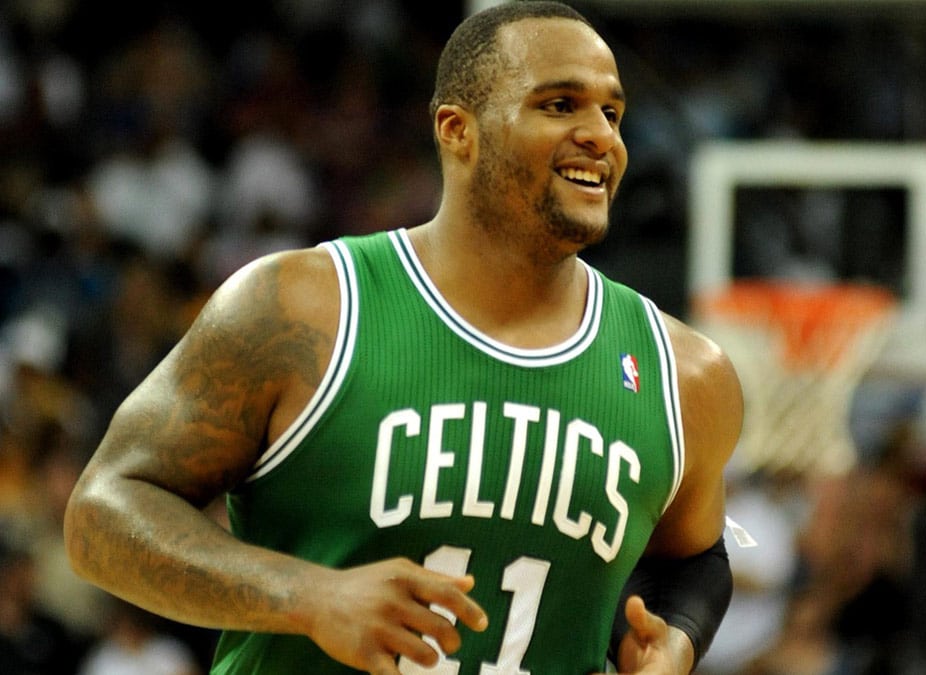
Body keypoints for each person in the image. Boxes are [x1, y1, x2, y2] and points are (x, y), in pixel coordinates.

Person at [63, 2, 744, 674]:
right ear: (457, 131)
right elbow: (103, 513)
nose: (602, 134)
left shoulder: (684, 373)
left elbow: (695, 559)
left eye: (612, 112)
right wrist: (309, 596)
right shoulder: (303, 308)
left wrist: (675, 639)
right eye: (560, 105)